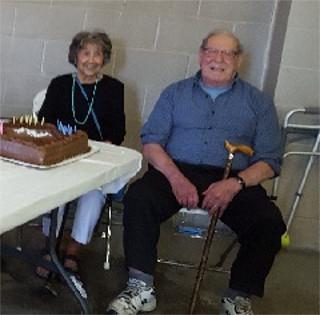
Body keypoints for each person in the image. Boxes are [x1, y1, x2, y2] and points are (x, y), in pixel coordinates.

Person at [105, 30, 286, 315]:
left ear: (238, 59)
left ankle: (237, 296)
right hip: (176, 169)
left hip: (234, 177)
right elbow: (151, 142)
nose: (219, 58)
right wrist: (176, 178)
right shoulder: (175, 93)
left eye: (228, 53)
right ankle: (141, 287)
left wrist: (236, 184)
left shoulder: (258, 102)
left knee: (269, 222)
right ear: (201, 55)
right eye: (213, 51)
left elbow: (271, 160)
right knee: (140, 198)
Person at [36, 30, 125, 281]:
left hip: (93, 160)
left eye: (98, 54)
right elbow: (44, 121)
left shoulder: (113, 89)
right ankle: (49, 247)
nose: (91, 59)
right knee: (55, 194)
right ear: (75, 56)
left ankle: (73, 251)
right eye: (86, 52)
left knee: (93, 197)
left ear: (104, 59)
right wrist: (59, 141)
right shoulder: (60, 84)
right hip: (61, 157)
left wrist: (97, 148)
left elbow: (118, 131)